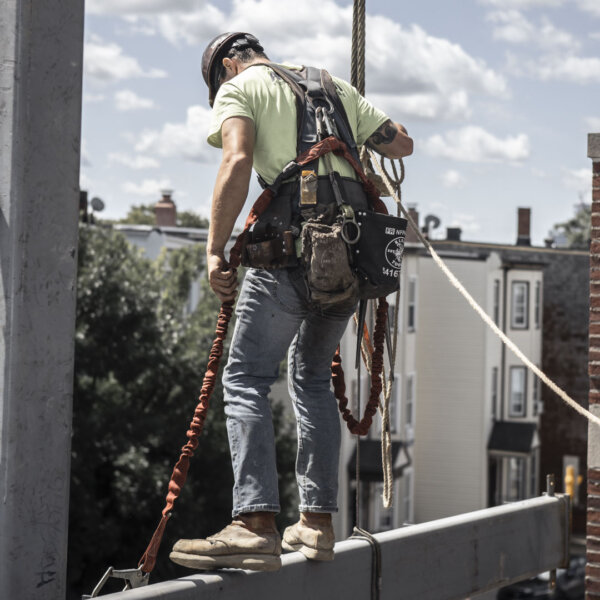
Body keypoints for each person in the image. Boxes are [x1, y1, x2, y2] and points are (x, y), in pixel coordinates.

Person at [169, 32, 413, 572]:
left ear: (228, 66)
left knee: (247, 377)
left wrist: (214, 251)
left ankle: (255, 523)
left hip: (290, 253)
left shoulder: (241, 89)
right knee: (309, 378)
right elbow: (402, 144)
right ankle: (317, 524)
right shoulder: (332, 87)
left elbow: (236, 161)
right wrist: (360, 146)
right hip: (349, 263)